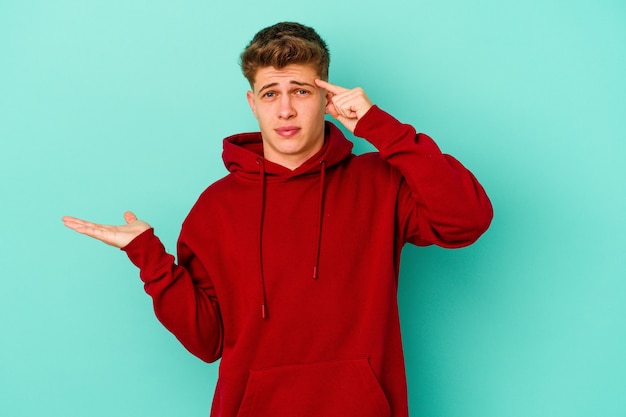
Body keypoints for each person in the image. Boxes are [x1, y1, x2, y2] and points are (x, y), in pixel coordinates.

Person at [63, 22, 492, 417]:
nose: (285, 110)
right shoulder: (215, 208)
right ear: (253, 103)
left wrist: (380, 127)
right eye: (271, 93)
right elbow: (206, 340)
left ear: (327, 99)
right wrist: (149, 259)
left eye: (301, 91)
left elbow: (466, 220)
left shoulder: (380, 183)